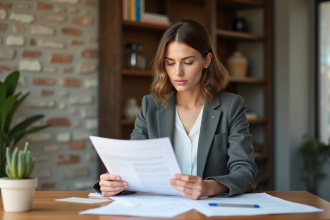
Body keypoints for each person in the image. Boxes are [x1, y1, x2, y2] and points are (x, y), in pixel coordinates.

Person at [93, 19, 258, 200]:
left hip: (211, 209)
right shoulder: (151, 107)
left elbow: (246, 172)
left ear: (206, 60)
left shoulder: (231, 106)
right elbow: (133, 167)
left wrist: (209, 187)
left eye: (187, 62)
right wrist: (114, 183)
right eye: (170, 63)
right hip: (162, 210)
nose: (178, 72)